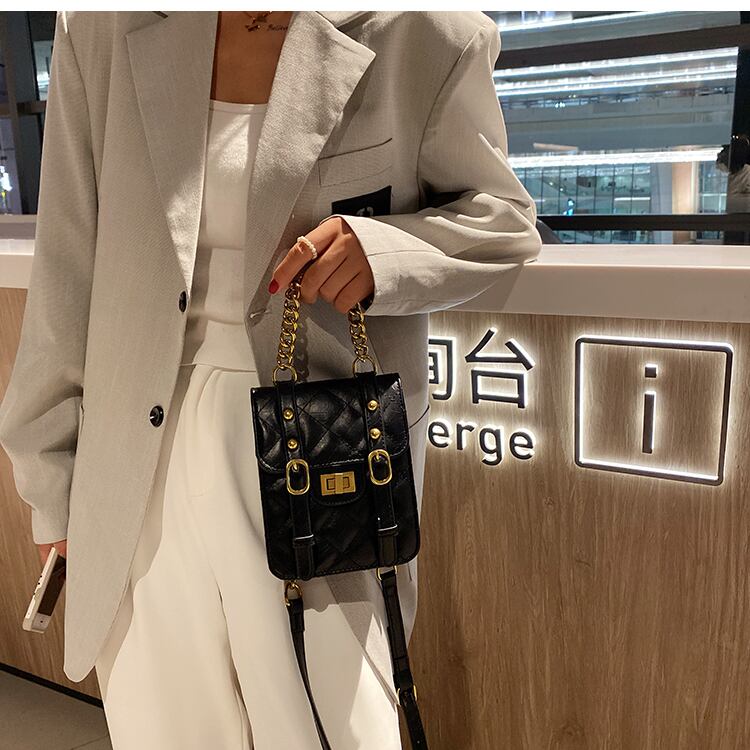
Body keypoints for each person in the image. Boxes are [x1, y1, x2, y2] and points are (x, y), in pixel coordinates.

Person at [0, 10, 541, 748]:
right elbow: (68, 259)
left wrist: (382, 249)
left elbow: (502, 220)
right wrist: (51, 482)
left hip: (319, 445)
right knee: (166, 723)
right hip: (135, 448)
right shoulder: (103, 25)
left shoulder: (426, 32)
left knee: (332, 724)